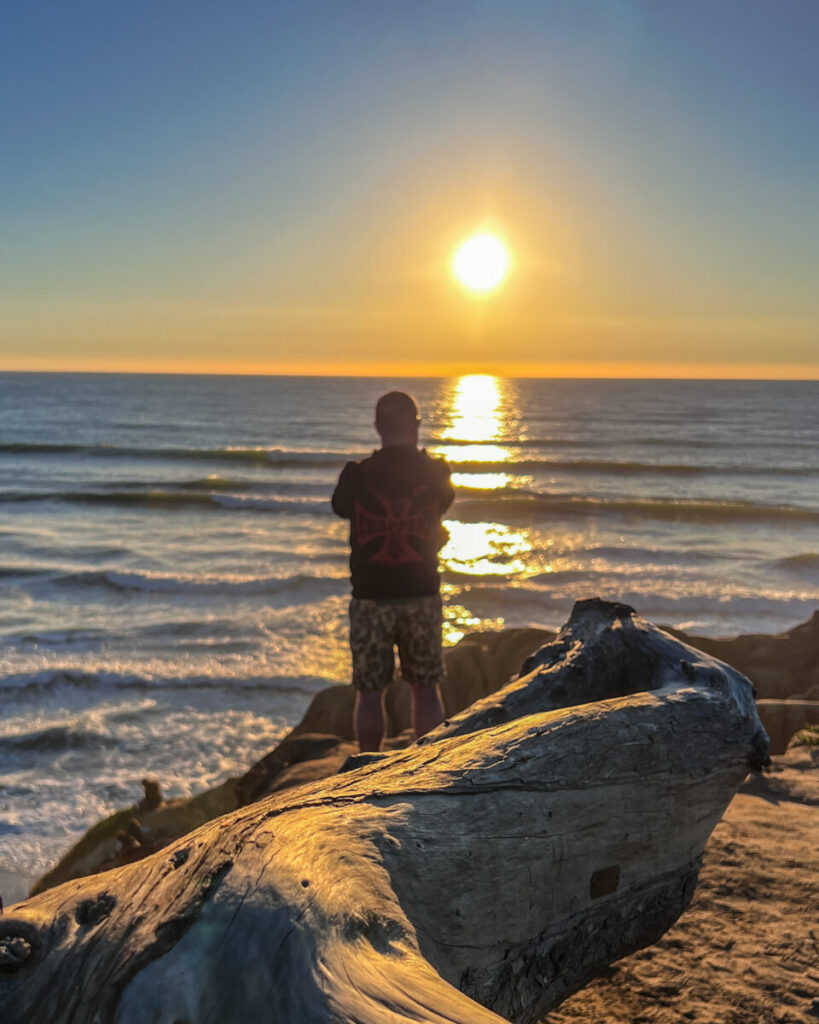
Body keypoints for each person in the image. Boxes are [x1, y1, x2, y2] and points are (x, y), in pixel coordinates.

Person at [331, 391, 454, 751]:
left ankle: (367, 767)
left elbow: (341, 509)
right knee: (426, 689)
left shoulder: (357, 475)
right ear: (416, 425)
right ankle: (426, 767)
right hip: (421, 594)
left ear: (377, 427)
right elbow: (443, 504)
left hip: (371, 598)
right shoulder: (435, 473)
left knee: (370, 693)